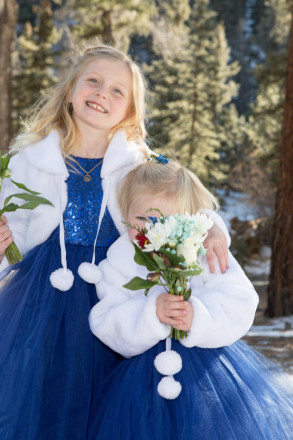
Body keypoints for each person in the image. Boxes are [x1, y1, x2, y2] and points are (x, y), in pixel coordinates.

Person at [0, 44, 229, 440]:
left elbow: (184, 205)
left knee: (114, 402)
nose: (102, 92)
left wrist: (209, 225)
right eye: (93, 80)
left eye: (117, 90)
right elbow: (15, 228)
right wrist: (5, 242)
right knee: (44, 397)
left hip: (119, 291)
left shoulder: (140, 166)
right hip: (41, 301)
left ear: (130, 111)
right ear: (71, 90)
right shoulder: (27, 161)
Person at [88, 159, 293, 440]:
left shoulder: (201, 249)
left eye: (165, 219)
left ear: (186, 217)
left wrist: (198, 315)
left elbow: (240, 299)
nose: (152, 229)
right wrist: (151, 314)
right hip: (141, 384)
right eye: (141, 219)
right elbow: (105, 320)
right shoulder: (120, 259)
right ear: (125, 213)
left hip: (206, 374)